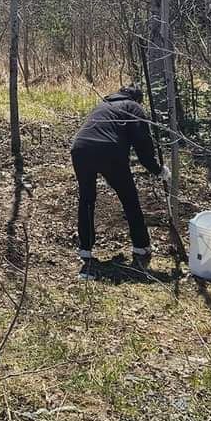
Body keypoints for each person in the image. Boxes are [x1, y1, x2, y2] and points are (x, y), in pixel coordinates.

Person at [70, 86, 170, 279]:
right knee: (129, 198)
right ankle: (141, 246)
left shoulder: (103, 105)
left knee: (87, 199)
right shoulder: (134, 108)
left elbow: (100, 133)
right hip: (109, 152)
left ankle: (85, 248)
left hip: (80, 148)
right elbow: (143, 144)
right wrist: (157, 169)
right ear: (137, 99)